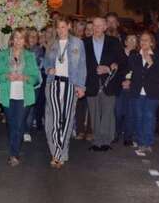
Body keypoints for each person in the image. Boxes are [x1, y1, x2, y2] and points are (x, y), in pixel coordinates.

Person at [0, 28, 42, 166]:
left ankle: (14, 154)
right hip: (7, 94)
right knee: (11, 124)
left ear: (25, 40)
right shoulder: (3, 54)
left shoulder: (30, 55)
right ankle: (13, 149)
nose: (18, 41)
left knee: (19, 125)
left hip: (24, 95)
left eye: (21, 38)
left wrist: (26, 78)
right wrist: (6, 76)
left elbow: (36, 78)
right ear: (12, 39)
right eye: (16, 37)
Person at [43, 18, 86, 168]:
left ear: (69, 26)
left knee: (66, 120)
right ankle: (57, 153)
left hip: (70, 84)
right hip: (53, 83)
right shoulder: (52, 43)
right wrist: (48, 69)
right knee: (54, 120)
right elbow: (46, 62)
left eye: (63, 27)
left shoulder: (77, 43)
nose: (60, 30)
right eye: (58, 28)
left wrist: (81, 86)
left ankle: (61, 153)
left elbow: (82, 66)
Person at [83, 16, 125, 152]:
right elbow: (79, 64)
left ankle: (106, 141)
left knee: (107, 113)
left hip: (109, 83)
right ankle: (96, 141)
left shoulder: (114, 42)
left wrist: (109, 68)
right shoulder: (84, 43)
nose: (96, 28)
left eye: (99, 26)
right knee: (94, 113)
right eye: (94, 25)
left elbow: (123, 61)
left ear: (105, 27)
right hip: (91, 83)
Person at [129, 31, 159, 153]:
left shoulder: (158, 56)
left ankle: (148, 142)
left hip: (153, 92)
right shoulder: (134, 55)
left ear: (151, 42)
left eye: (146, 40)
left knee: (149, 116)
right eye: (141, 40)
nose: (143, 42)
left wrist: (151, 63)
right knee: (139, 116)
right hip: (137, 91)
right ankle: (141, 142)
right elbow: (135, 70)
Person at [115, 34, 139, 146]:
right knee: (118, 112)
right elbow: (115, 71)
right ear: (125, 42)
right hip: (119, 87)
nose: (132, 42)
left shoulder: (138, 55)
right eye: (130, 39)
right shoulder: (118, 54)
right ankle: (116, 133)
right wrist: (122, 82)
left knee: (130, 113)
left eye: (134, 40)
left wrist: (131, 82)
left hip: (132, 88)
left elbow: (140, 72)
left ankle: (128, 137)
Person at [24, 27, 45, 141]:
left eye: (35, 36)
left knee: (30, 107)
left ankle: (26, 131)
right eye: (30, 36)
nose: (32, 38)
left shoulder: (38, 50)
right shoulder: (20, 48)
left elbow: (34, 66)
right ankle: (19, 129)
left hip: (33, 84)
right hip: (19, 82)